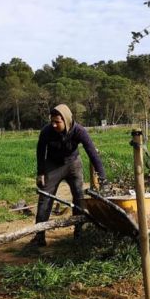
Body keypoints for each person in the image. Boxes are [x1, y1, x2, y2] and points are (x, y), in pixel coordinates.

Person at [31, 104, 107, 247]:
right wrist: (40, 172)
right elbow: (40, 151)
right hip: (53, 165)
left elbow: (92, 153)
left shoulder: (79, 131)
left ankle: (79, 234)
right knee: (45, 198)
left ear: (66, 120)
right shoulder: (47, 131)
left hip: (73, 164)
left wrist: (102, 177)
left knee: (79, 197)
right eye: (52, 121)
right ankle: (39, 236)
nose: (53, 124)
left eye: (57, 122)